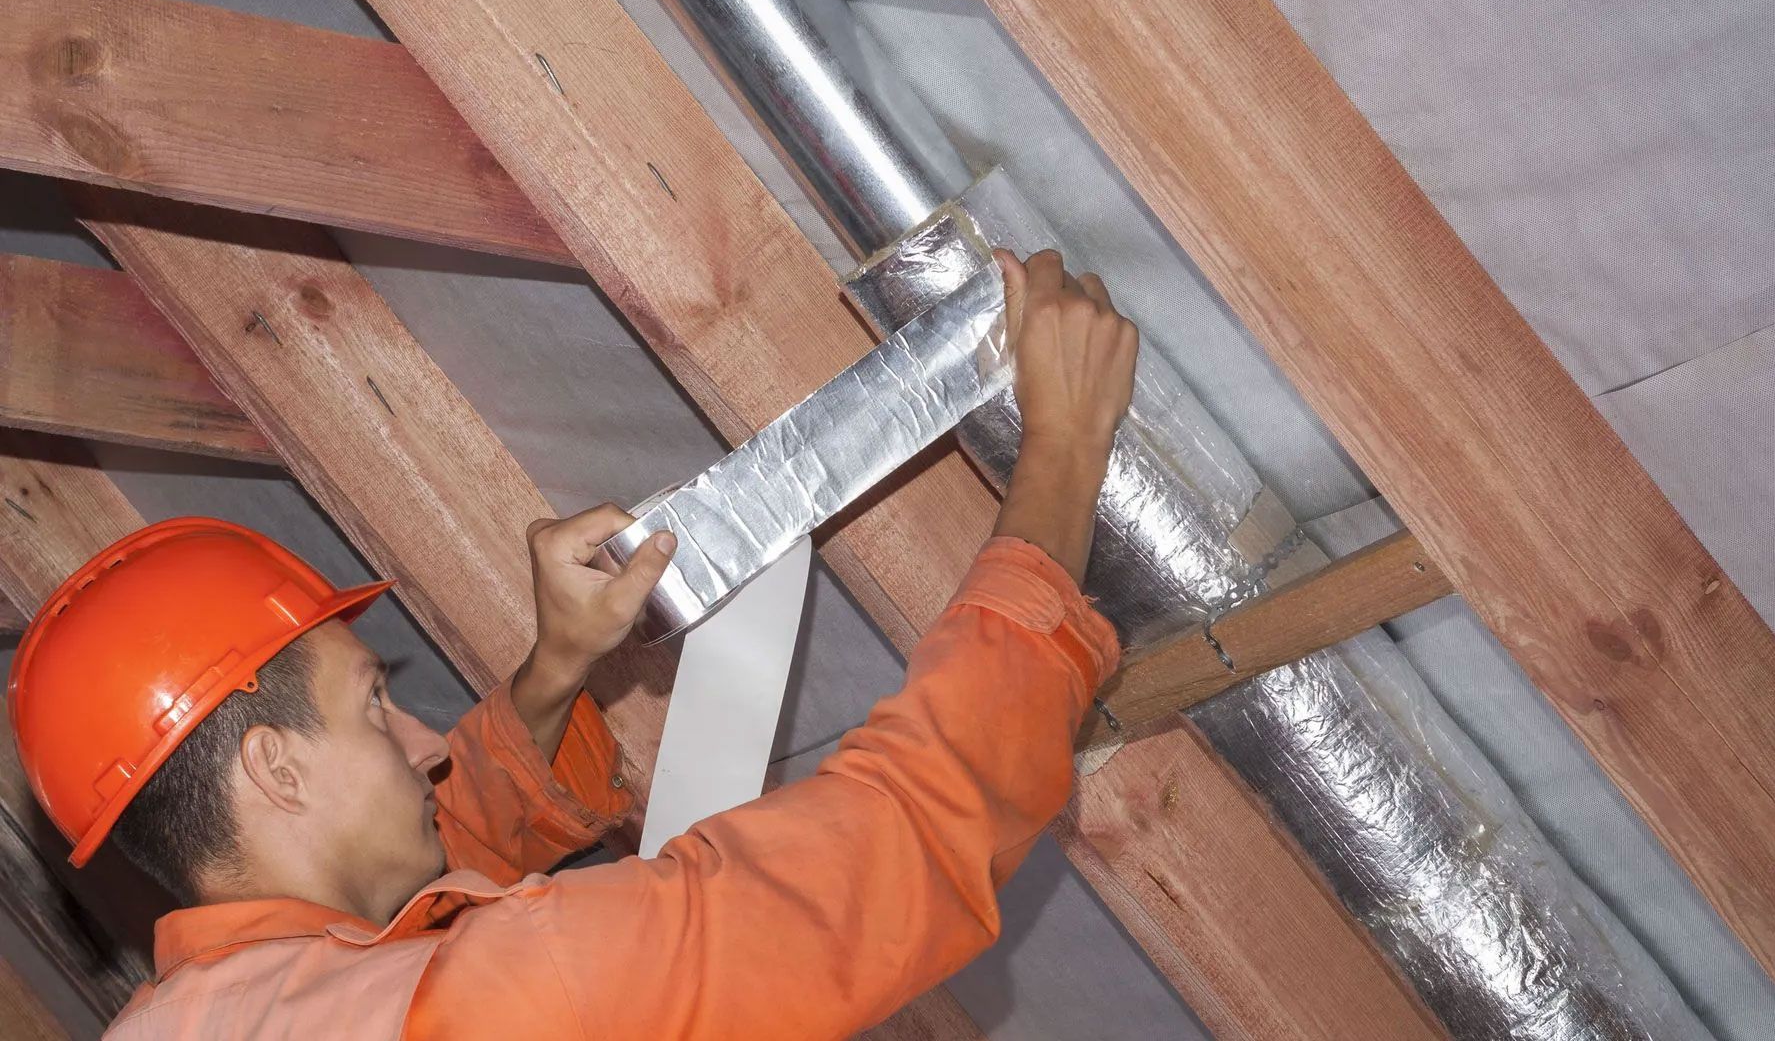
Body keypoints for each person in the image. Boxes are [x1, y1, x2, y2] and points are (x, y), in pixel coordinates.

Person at [7, 249, 1139, 1039]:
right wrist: (1064, 457)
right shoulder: (507, 1002)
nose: (423, 740)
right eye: (371, 706)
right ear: (273, 767)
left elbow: (422, 876)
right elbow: (888, 859)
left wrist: (557, 672)